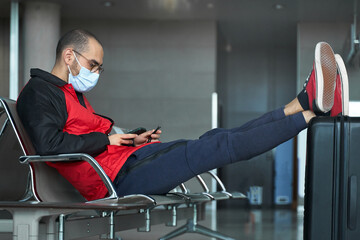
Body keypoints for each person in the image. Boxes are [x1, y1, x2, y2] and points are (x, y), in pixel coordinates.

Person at [16, 29, 347, 201]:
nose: (96, 73)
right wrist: (107, 138)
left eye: (100, 68)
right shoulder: (39, 92)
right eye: (93, 65)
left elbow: (87, 137)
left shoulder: (72, 93)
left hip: (129, 162)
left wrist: (132, 136)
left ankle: (301, 103)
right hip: (116, 182)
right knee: (210, 149)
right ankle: (312, 115)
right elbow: (49, 145)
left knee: (215, 138)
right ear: (69, 55)